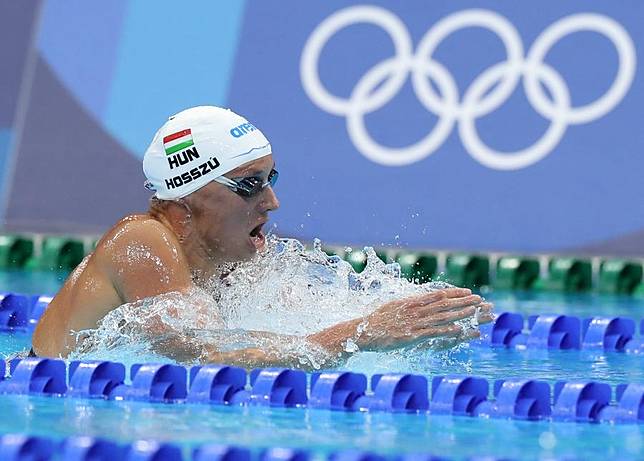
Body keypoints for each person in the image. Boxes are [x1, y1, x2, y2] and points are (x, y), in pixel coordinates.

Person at [32, 106, 493, 367]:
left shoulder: (232, 264)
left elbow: (289, 329)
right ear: (182, 205)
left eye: (272, 178)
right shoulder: (142, 242)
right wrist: (360, 335)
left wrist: (411, 329)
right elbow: (203, 356)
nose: (272, 202)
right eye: (249, 184)